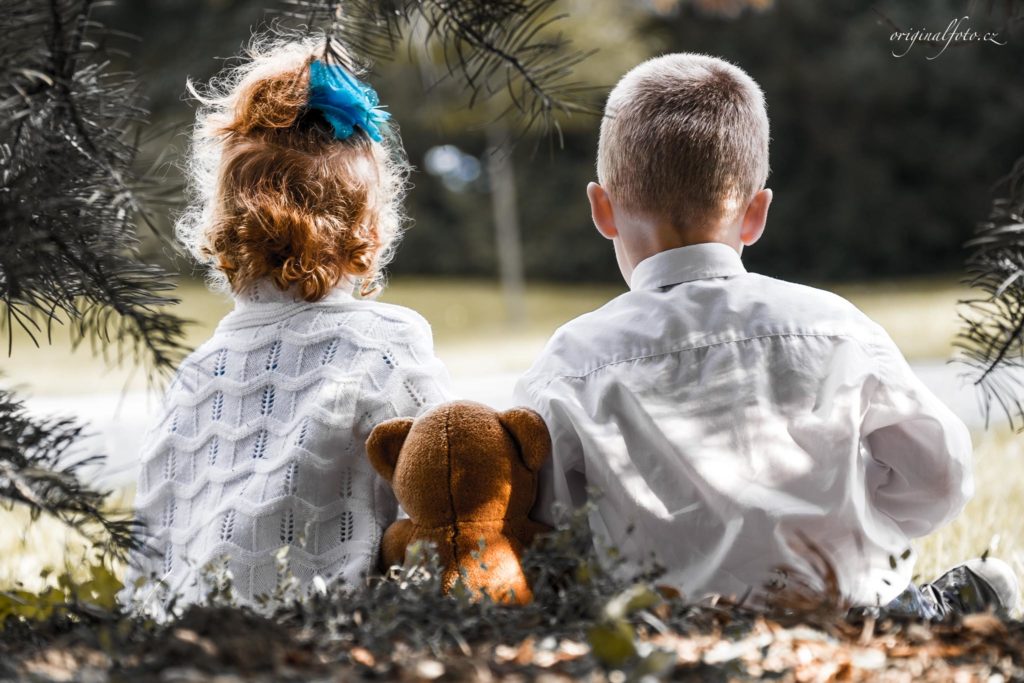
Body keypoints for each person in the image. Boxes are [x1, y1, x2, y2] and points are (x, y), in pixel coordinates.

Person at [513, 53, 1018, 616]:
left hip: (664, 634)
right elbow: (942, 477)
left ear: (601, 209)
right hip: (851, 614)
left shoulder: (569, 361)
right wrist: (865, 520)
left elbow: (550, 528)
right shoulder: (833, 326)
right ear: (755, 214)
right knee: (977, 583)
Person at [120, 33, 451, 612]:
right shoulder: (388, 344)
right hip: (324, 630)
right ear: (368, 231)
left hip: (189, 633)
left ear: (226, 229)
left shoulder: (197, 372)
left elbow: (155, 535)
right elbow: (446, 489)